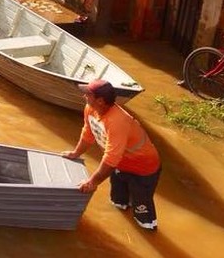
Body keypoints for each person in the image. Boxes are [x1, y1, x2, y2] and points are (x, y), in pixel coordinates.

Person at [62, 79, 161, 231]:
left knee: (143, 215)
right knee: (118, 203)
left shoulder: (118, 121)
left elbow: (111, 157)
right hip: (120, 165)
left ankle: (148, 230)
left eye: (88, 94)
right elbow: (88, 134)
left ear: (100, 101)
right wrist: (76, 153)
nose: (84, 97)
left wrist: (92, 182)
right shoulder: (90, 109)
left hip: (143, 169)